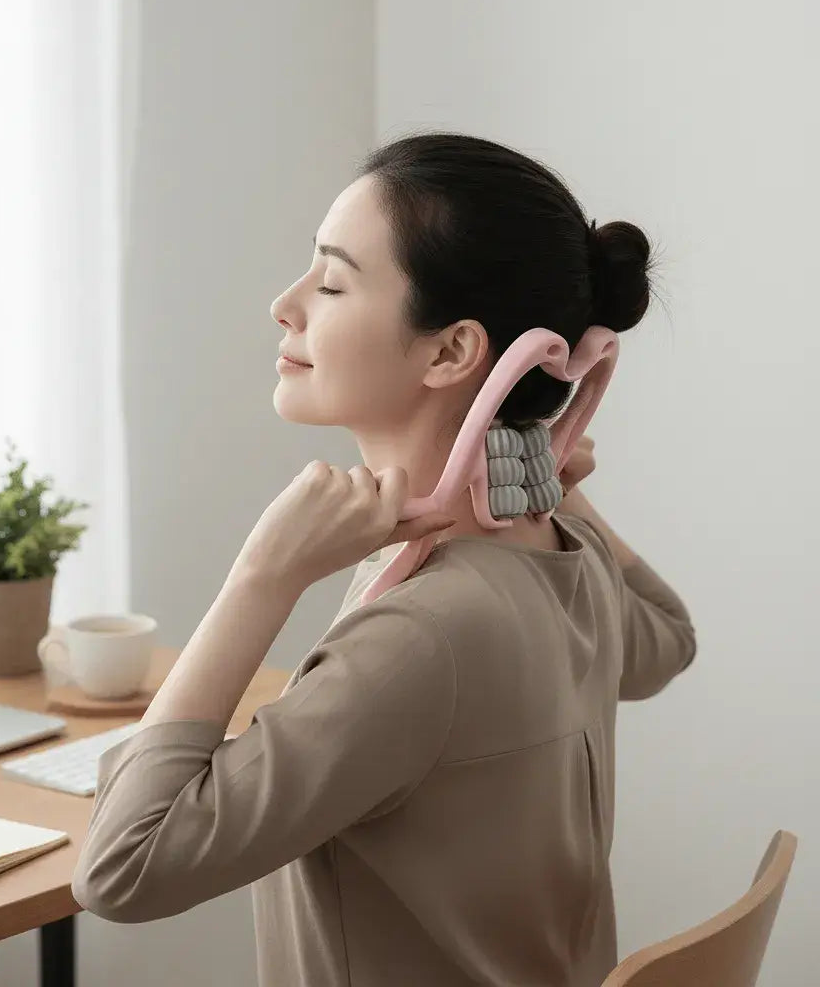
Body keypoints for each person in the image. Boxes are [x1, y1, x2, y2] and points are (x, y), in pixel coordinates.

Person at [71, 133, 697, 987]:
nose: (285, 305)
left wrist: (262, 577)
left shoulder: (423, 633)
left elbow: (122, 870)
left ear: (451, 352)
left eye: (331, 284)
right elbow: (667, 638)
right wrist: (541, 465)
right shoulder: (562, 550)